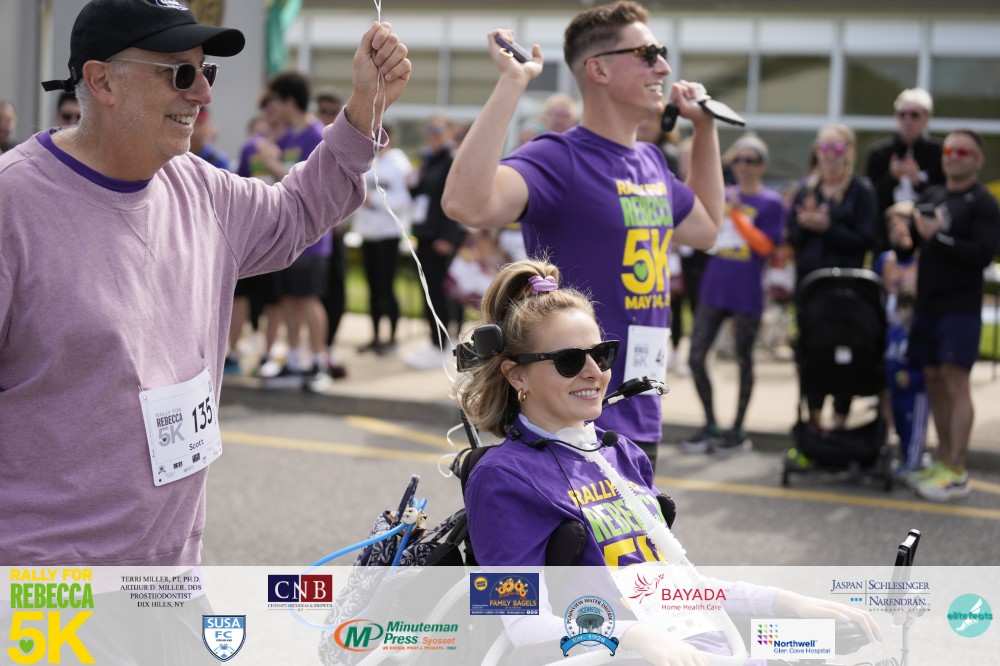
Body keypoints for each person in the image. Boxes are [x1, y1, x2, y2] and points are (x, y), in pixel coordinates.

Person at [1, 0, 410, 569]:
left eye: (206, 71)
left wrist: (365, 108)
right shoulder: (14, 205)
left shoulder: (199, 188)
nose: (203, 93)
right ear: (102, 81)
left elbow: (296, 211)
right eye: (180, 74)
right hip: (44, 588)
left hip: (172, 573)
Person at [456, 258, 880, 664]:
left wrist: (787, 602)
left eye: (601, 354)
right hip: (624, 654)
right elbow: (522, 628)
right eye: (569, 360)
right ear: (516, 374)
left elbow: (676, 586)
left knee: (840, 641)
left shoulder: (623, 454)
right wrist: (634, 636)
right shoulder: (500, 478)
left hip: (694, 643)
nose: (594, 372)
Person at [442, 1, 725, 472]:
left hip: (639, 407)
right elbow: (465, 203)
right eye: (647, 54)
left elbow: (707, 228)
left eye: (662, 53)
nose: (663, 66)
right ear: (599, 69)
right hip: (570, 416)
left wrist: (705, 125)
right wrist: (513, 83)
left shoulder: (651, 162)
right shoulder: (560, 158)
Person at [890, 129, 1000, 501]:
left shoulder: (983, 203)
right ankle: (942, 460)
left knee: (955, 383)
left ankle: (957, 468)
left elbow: (983, 254)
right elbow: (912, 249)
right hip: (928, 304)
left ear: (978, 159)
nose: (953, 155)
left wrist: (939, 236)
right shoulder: (932, 196)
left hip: (960, 308)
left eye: (963, 151)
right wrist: (904, 241)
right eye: (950, 149)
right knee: (934, 380)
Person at [680, 135, 786, 455]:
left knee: (744, 360)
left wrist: (738, 215)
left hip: (746, 291)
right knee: (696, 357)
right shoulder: (723, 195)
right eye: (738, 159)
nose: (743, 166)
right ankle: (711, 424)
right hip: (715, 287)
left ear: (762, 165)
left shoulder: (770, 203)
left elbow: (765, 247)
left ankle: (737, 429)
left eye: (750, 160)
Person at [787, 123, 877, 430]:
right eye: (824, 147)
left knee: (843, 353)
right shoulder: (806, 190)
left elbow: (866, 239)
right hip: (811, 289)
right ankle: (813, 422)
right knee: (812, 353)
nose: (830, 155)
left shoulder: (861, 191)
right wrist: (805, 223)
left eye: (837, 148)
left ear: (849, 151)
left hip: (847, 291)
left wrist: (829, 228)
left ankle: (840, 424)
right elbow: (794, 239)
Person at [255, 71, 341, 389]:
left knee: (308, 300)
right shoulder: (288, 136)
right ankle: (293, 361)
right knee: (290, 299)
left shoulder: (317, 135)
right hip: (288, 235)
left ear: (289, 101)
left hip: (312, 237)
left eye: (276, 101)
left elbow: (309, 185)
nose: (273, 107)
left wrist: (272, 163)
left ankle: (319, 361)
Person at [405, 113, 466, 370]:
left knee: (441, 292)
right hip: (426, 233)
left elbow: (457, 199)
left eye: (438, 129)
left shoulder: (452, 160)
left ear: (449, 132)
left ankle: (442, 344)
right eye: (430, 129)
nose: (433, 134)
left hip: (441, 237)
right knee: (430, 290)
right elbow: (423, 194)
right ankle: (438, 342)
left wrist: (447, 237)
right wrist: (412, 183)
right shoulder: (429, 159)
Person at [354, 124, 413, 354]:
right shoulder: (366, 161)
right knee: (372, 288)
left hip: (388, 234)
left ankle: (392, 337)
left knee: (386, 287)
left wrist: (374, 201)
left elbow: (404, 200)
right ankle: (376, 336)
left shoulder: (399, 163)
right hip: (367, 233)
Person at [864, 87, 944, 254]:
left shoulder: (939, 153)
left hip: (927, 240)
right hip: (886, 238)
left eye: (914, 115)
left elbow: (944, 197)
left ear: (926, 118)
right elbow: (870, 200)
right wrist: (892, 177)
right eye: (902, 114)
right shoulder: (879, 153)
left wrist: (918, 182)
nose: (908, 120)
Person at [884, 291, 930, 482]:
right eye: (903, 307)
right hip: (897, 392)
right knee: (901, 428)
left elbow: (928, 369)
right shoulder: (893, 333)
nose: (908, 312)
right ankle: (906, 459)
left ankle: (913, 462)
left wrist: (912, 378)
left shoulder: (920, 336)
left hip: (915, 393)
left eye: (912, 308)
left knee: (915, 429)